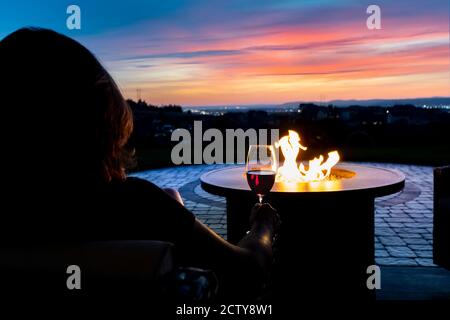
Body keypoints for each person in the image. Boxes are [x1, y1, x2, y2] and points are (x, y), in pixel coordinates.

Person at [0, 28, 279, 297]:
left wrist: (170, 208)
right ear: (97, 120)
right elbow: (249, 272)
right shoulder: (133, 205)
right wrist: (262, 226)